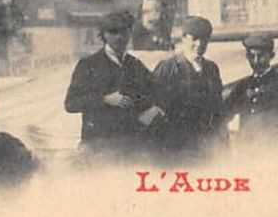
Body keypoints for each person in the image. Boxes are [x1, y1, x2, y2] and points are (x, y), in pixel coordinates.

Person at [63, 10, 160, 155]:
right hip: (98, 146)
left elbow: (157, 91)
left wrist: (152, 110)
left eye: (124, 31)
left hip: (131, 145)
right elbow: (71, 103)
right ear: (103, 35)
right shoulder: (88, 64)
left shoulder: (135, 64)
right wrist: (104, 99)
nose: (120, 37)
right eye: (113, 32)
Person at [150, 15, 225, 159]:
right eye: (195, 39)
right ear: (184, 38)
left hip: (206, 148)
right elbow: (155, 109)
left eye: (205, 39)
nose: (200, 44)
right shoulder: (168, 68)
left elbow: (217, 109)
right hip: (176, 148)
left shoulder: (212, 69)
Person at [223, 32, 278, 139]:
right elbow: (224, 113)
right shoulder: (243, 86)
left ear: (271, 56)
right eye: (252, 56)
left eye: (261, 56)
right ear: (247, 57)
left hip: (273, 147)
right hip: (247, 147)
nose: (256, 61)